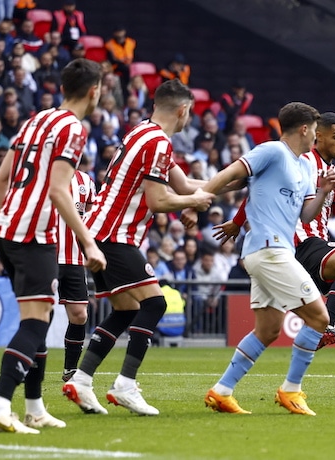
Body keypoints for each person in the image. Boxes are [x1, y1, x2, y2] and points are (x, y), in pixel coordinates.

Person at [214, 112, 335, 397]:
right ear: (319, 136)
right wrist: (237, 221)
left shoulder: (332, 173)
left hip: (313, 245)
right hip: (297, 241)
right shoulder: (301, 161)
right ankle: (325, 324)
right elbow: (259, 188)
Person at [62, 79, 214, 417]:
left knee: (127, 311)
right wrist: (192, 201)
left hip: (99, 231)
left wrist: (235, 182)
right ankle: (125, 385)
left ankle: (82, 380)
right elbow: (159, 201)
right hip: (115, 235)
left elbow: (187, 185)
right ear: (183, 110)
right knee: (156, 303)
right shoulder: (159, 143)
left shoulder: (141, 132)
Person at [0, 58, 106, 434]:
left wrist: (12, 218)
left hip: (7, 229)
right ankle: (0, 405)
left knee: (42, 317)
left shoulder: (35, 120)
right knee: (35, 323)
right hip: (33, 236)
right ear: (93, 91)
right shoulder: (73, 128)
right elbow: (57, 189)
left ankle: (34, 407)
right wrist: (89, 243)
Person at [201, 101, 335, 416]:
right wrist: (199, 199)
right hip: (267, 249)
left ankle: (221, 391)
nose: (316, 137)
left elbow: (306, 215)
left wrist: (322, 192)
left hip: (274, 252)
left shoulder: (304, 166)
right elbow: (232, 173)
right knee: (319, 318)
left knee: (268, 330)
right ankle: (291, 390)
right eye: (315, 130)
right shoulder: (272, 151)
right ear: (304, 128)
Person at [58, 170, 95, 383]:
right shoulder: (44, 174)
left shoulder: (86, 181)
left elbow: (91, 217)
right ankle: (29, 365)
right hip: (47, 254)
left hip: (75, 258)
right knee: (39, 313)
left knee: (80, 314)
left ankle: (70, 369)